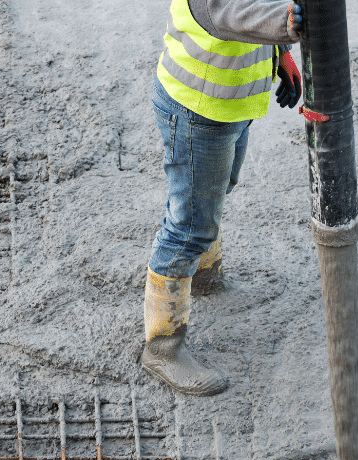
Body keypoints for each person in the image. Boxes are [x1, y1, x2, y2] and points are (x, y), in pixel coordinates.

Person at [142, 1, 304, 395]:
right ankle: (162, 347)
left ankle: (202, 274)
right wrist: (284, 24)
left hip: (228, 104)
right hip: (198, 109)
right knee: (190, 226)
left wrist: (278, 53)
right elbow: (225, 11)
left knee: (215, 191)